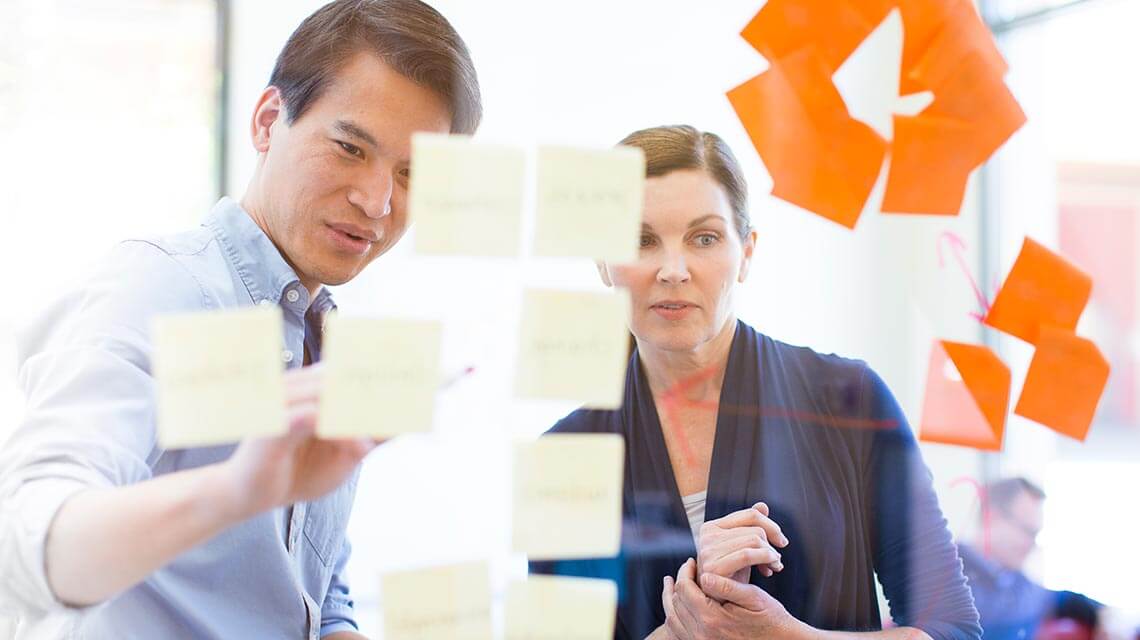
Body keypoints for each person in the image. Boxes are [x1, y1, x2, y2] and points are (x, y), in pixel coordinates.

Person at [0, 1, 481, 637]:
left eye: (411, 173)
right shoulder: (161, 285)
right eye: (349, 147)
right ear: (266, 121)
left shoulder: (322, 331)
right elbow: (28, 542)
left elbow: (310, 587)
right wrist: (231, 491)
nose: (377, 201)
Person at [531, 125, 981, 640]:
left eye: (704, 238)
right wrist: (679, 631)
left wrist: (788, 638)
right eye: (641, 240)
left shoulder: (848, 400)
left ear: (746, 252)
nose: (673, 269)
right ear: (602, 262)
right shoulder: (565, 456)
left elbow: (955, 629)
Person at [959, 478, 1103, 640]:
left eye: (1036, 534)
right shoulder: (941, 576)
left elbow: (1060, 599)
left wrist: (1106, 615)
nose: (1032, 544)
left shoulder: (1016, 583)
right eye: (1027, 530)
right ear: (991, 518)